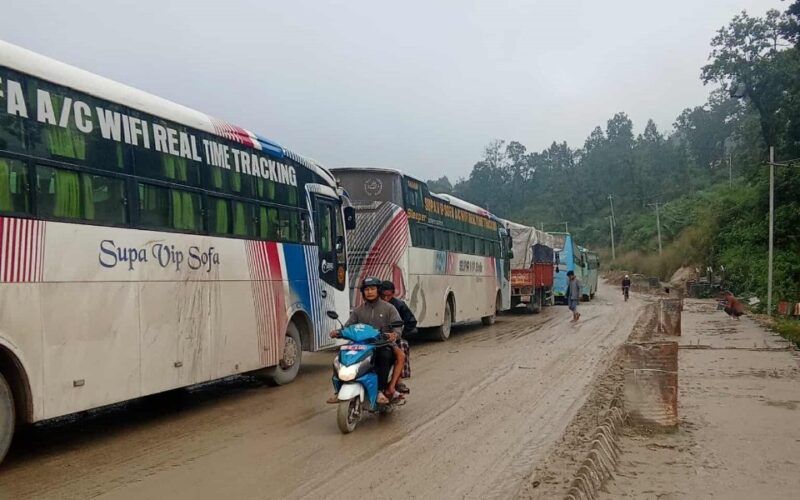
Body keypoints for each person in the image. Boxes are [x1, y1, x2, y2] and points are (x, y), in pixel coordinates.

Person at [328, 277, 405, 404]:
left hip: (382, 344)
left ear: (378, 290)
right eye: (367, 289)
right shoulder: (358, 310)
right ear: (363, 292)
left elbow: (397, 328)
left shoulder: (389, 308)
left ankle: (381, 390)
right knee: (340, 359)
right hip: (360, 345)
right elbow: (348, 327)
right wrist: (338, 332)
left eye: (372, 289)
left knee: (384, 356)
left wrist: (394, 335)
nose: (369, 292)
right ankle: (339, 389)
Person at [381, 281, 416, 394]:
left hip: (394, 338)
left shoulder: (399, 305)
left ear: (394, 293)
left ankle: (398, 381)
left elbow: (411, 322)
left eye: (389, 295)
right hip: (376, 337)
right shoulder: (373, 305)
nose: (386, 298)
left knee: (403, 345)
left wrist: (399, 334)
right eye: (383, 295)